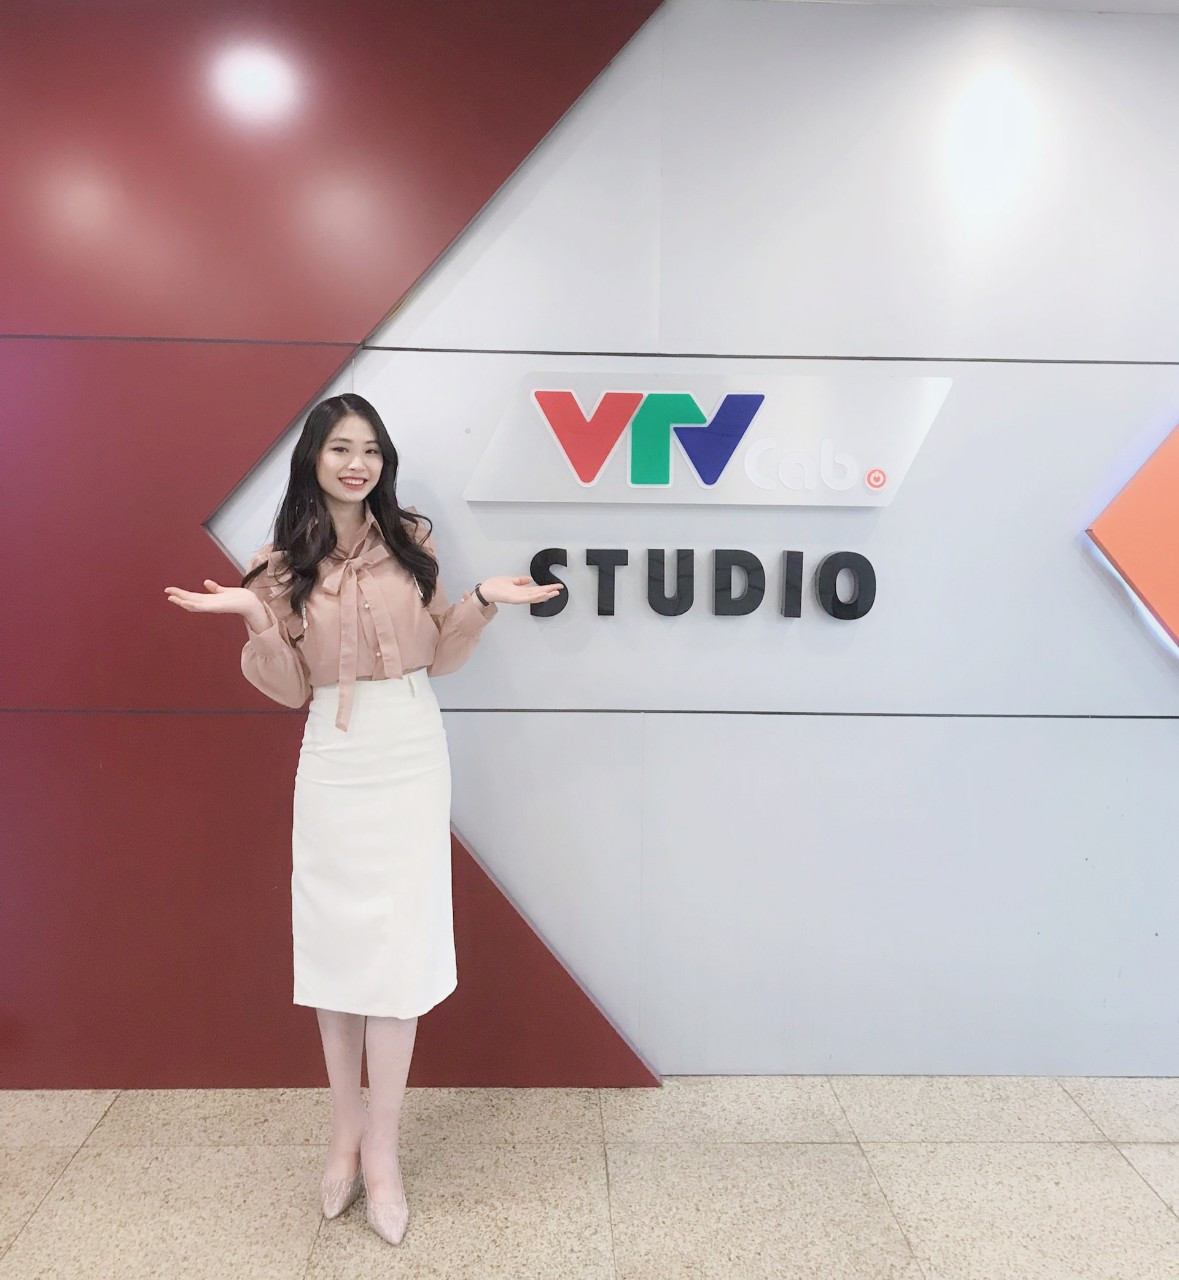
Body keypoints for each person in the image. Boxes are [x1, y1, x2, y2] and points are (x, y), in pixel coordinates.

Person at [164, 392, 561, 1245]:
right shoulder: (279, 565)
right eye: (341, 447)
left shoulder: (410, 543)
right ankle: (343, 1131)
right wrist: (252, 618)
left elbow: (441, 654)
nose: (358, 463)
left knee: (398, 949)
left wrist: (482, 599)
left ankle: (383, 1148)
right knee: (338, 944)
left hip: (410, 746)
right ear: (313, 456)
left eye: (371, 449)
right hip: (334, 757)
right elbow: (288, 689)